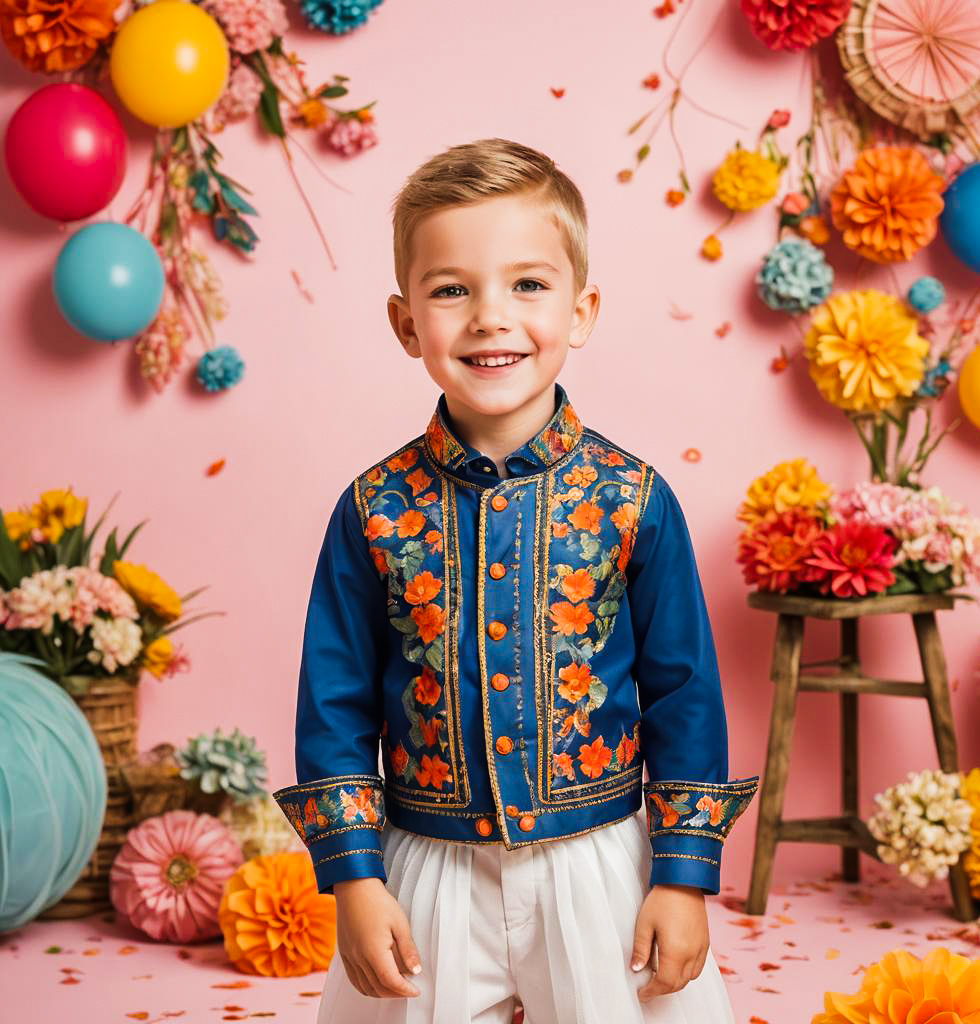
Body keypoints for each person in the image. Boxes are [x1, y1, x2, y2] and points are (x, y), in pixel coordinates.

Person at [273, 138, 759, 1024]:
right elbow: (335, 703)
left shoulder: (632, 498)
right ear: (406, 321)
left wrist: (682, 879)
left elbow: (684, 693)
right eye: (452, 289)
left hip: (599, 863)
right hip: (425, 868)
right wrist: (354, 878)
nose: (491, 317)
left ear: (582, 309)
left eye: (528, 284)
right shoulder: (372, 508)